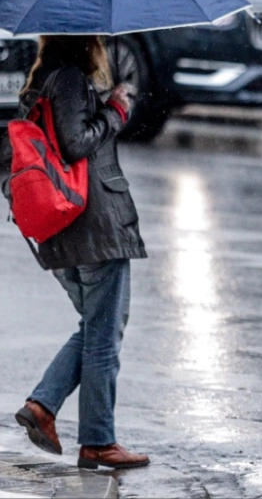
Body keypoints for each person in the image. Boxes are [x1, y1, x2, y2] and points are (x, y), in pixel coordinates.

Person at [6, 36, 149, 470]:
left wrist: (101, 102)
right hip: (92, 226)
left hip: (66, 228)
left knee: (95, 327)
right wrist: (116, 109)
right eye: (99, 40)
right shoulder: (68, 80)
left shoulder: (43, 83)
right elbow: (75, 142)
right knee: (104, 335)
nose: (104, 47)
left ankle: (44, 406)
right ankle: (98, 441)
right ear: (86, 43)